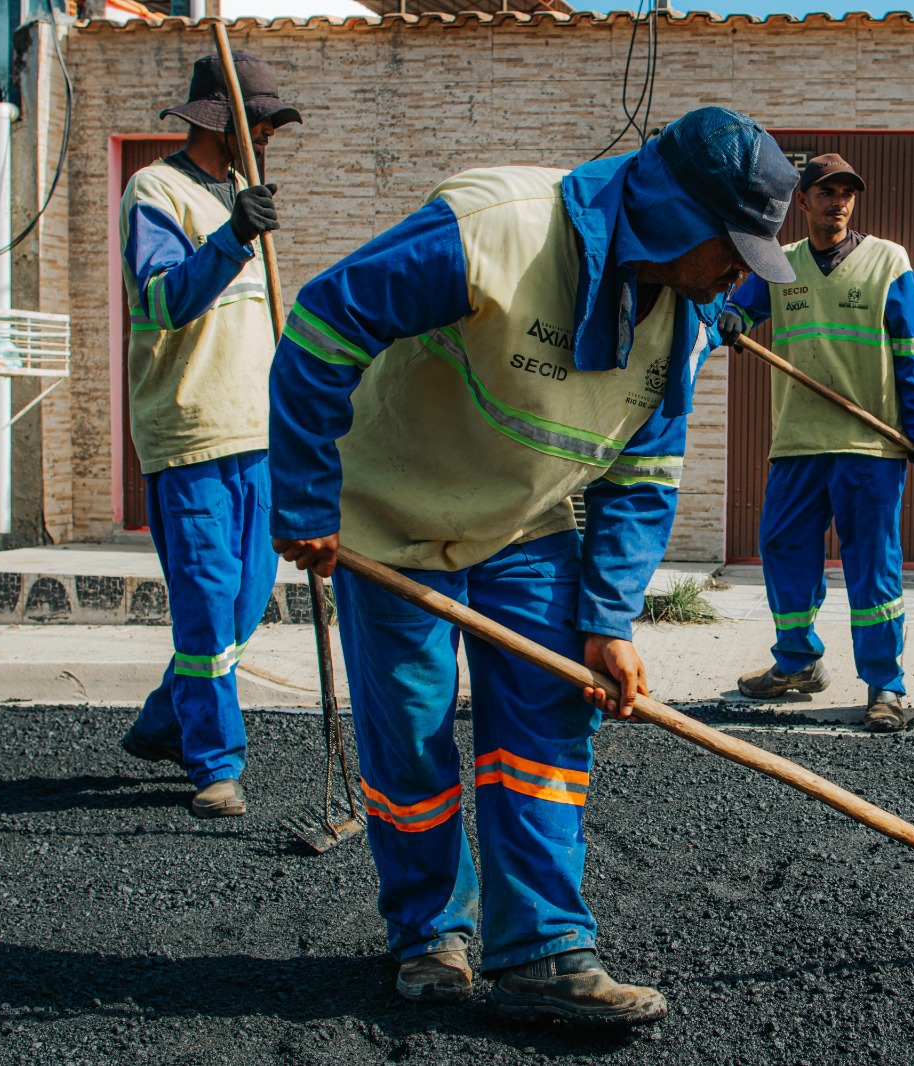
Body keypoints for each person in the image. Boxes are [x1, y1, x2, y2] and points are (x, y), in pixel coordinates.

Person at [267, 108, 798, 1025]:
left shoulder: (686, 320)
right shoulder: (494, 229)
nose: (741, 274)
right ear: (673, 217)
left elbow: (643, 477)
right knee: (412, 738)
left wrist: (608, 619)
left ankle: (543, 949)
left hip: (524, 526)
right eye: (734, 248)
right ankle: (430, 932)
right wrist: (308, 495)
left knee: (548, 722)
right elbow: (323, 322)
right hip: (391, 519)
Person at [117, 53, 300, 817]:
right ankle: (215, 764)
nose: (270, 134)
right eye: (260, 124)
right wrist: (231, 237)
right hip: (189, 436)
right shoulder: (154, 190)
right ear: (223, 125)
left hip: (257, 435)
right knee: (206, 606)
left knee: (244, 608)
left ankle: (165, 721)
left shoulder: (244, 202)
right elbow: (164, 302)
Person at [720, 154, 914, 734]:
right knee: (782, 548)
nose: (838, 202)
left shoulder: (888, 261)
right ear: (803, 201)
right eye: (826, 192)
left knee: (872, 565)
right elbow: (739, 306)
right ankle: (797, 662)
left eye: (847, 193)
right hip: (798, 440)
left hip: (869, 444)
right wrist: (733, 316)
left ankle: (885, 686)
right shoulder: (781, 263)